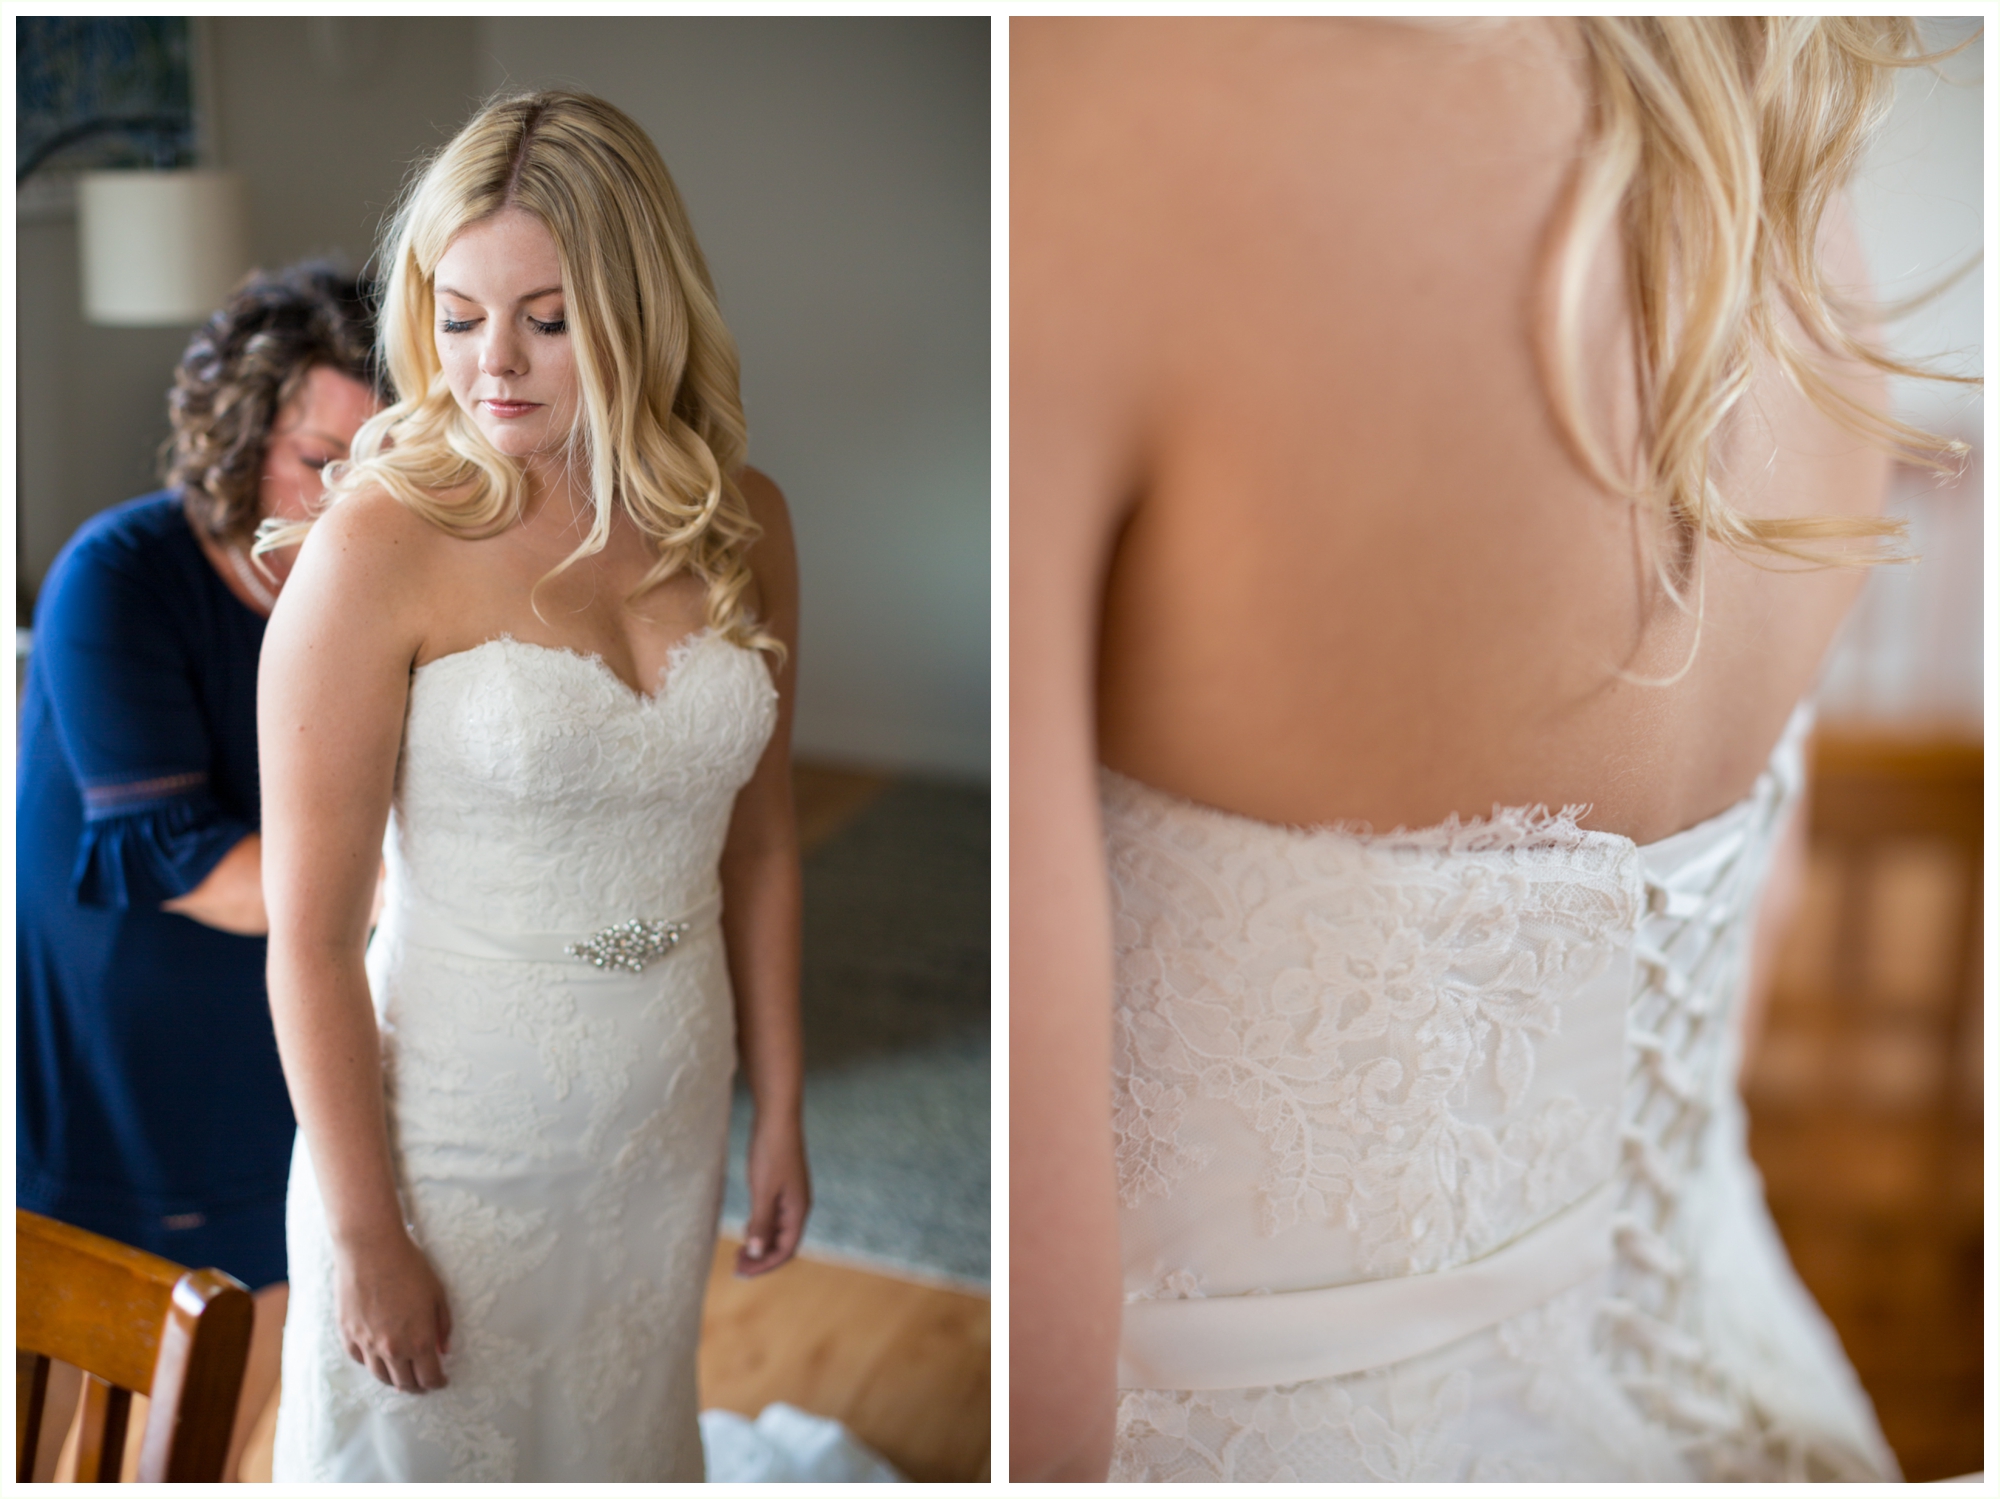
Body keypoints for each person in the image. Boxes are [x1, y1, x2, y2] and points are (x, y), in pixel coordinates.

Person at [1011, 17, 1969, 1483]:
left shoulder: (1096, 116)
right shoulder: (1777, 158)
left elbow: (1036, 1378)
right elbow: (1723, 993)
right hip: (1758, 1404)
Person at [260, 91, 809, 1482]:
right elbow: (311, 939)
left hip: (665, 1109)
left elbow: (762, 839)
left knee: (616, 1436)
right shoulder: (377, 548)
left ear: (639, 309)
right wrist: (367, 1233)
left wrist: (782, 1101)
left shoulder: (745, 521)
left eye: (547, 319)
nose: (489, 362)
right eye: (456, 315)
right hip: (450, 1143)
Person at [16, 263, 379, 1479]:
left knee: (215, 1414)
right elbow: (191, 863)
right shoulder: (116, 578)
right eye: (317, 460)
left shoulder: (371, 596)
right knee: (57, 1420)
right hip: (125, 1052)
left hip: (284, 1029)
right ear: (237, 442)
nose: (344, 503)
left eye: (377, 468)